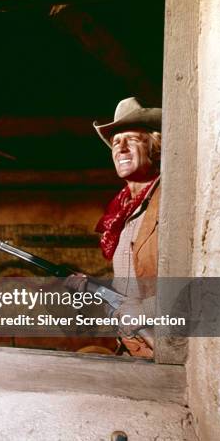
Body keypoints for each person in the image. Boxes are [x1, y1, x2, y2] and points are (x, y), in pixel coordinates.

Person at [70, 97, 161, 357]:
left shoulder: (171, 199)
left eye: (131, 139)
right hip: (129, 347)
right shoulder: (121, 210)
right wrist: (94, 285)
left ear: (156, 146)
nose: (121, 149)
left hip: (164, 349)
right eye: (115, 142)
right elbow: (133, 288)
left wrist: (144, 312)